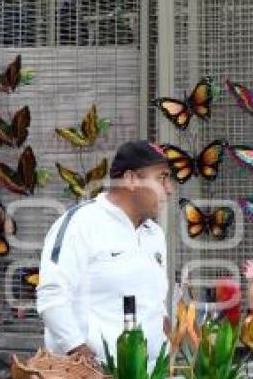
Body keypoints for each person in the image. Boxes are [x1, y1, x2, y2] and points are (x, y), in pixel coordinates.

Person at [37, 140, 174, 363]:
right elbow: (51, 297)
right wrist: (85, 360)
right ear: (130, 179)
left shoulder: (154, 234)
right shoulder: (80, 223)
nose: (169, 189)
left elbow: (154, 304)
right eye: (161, 177)